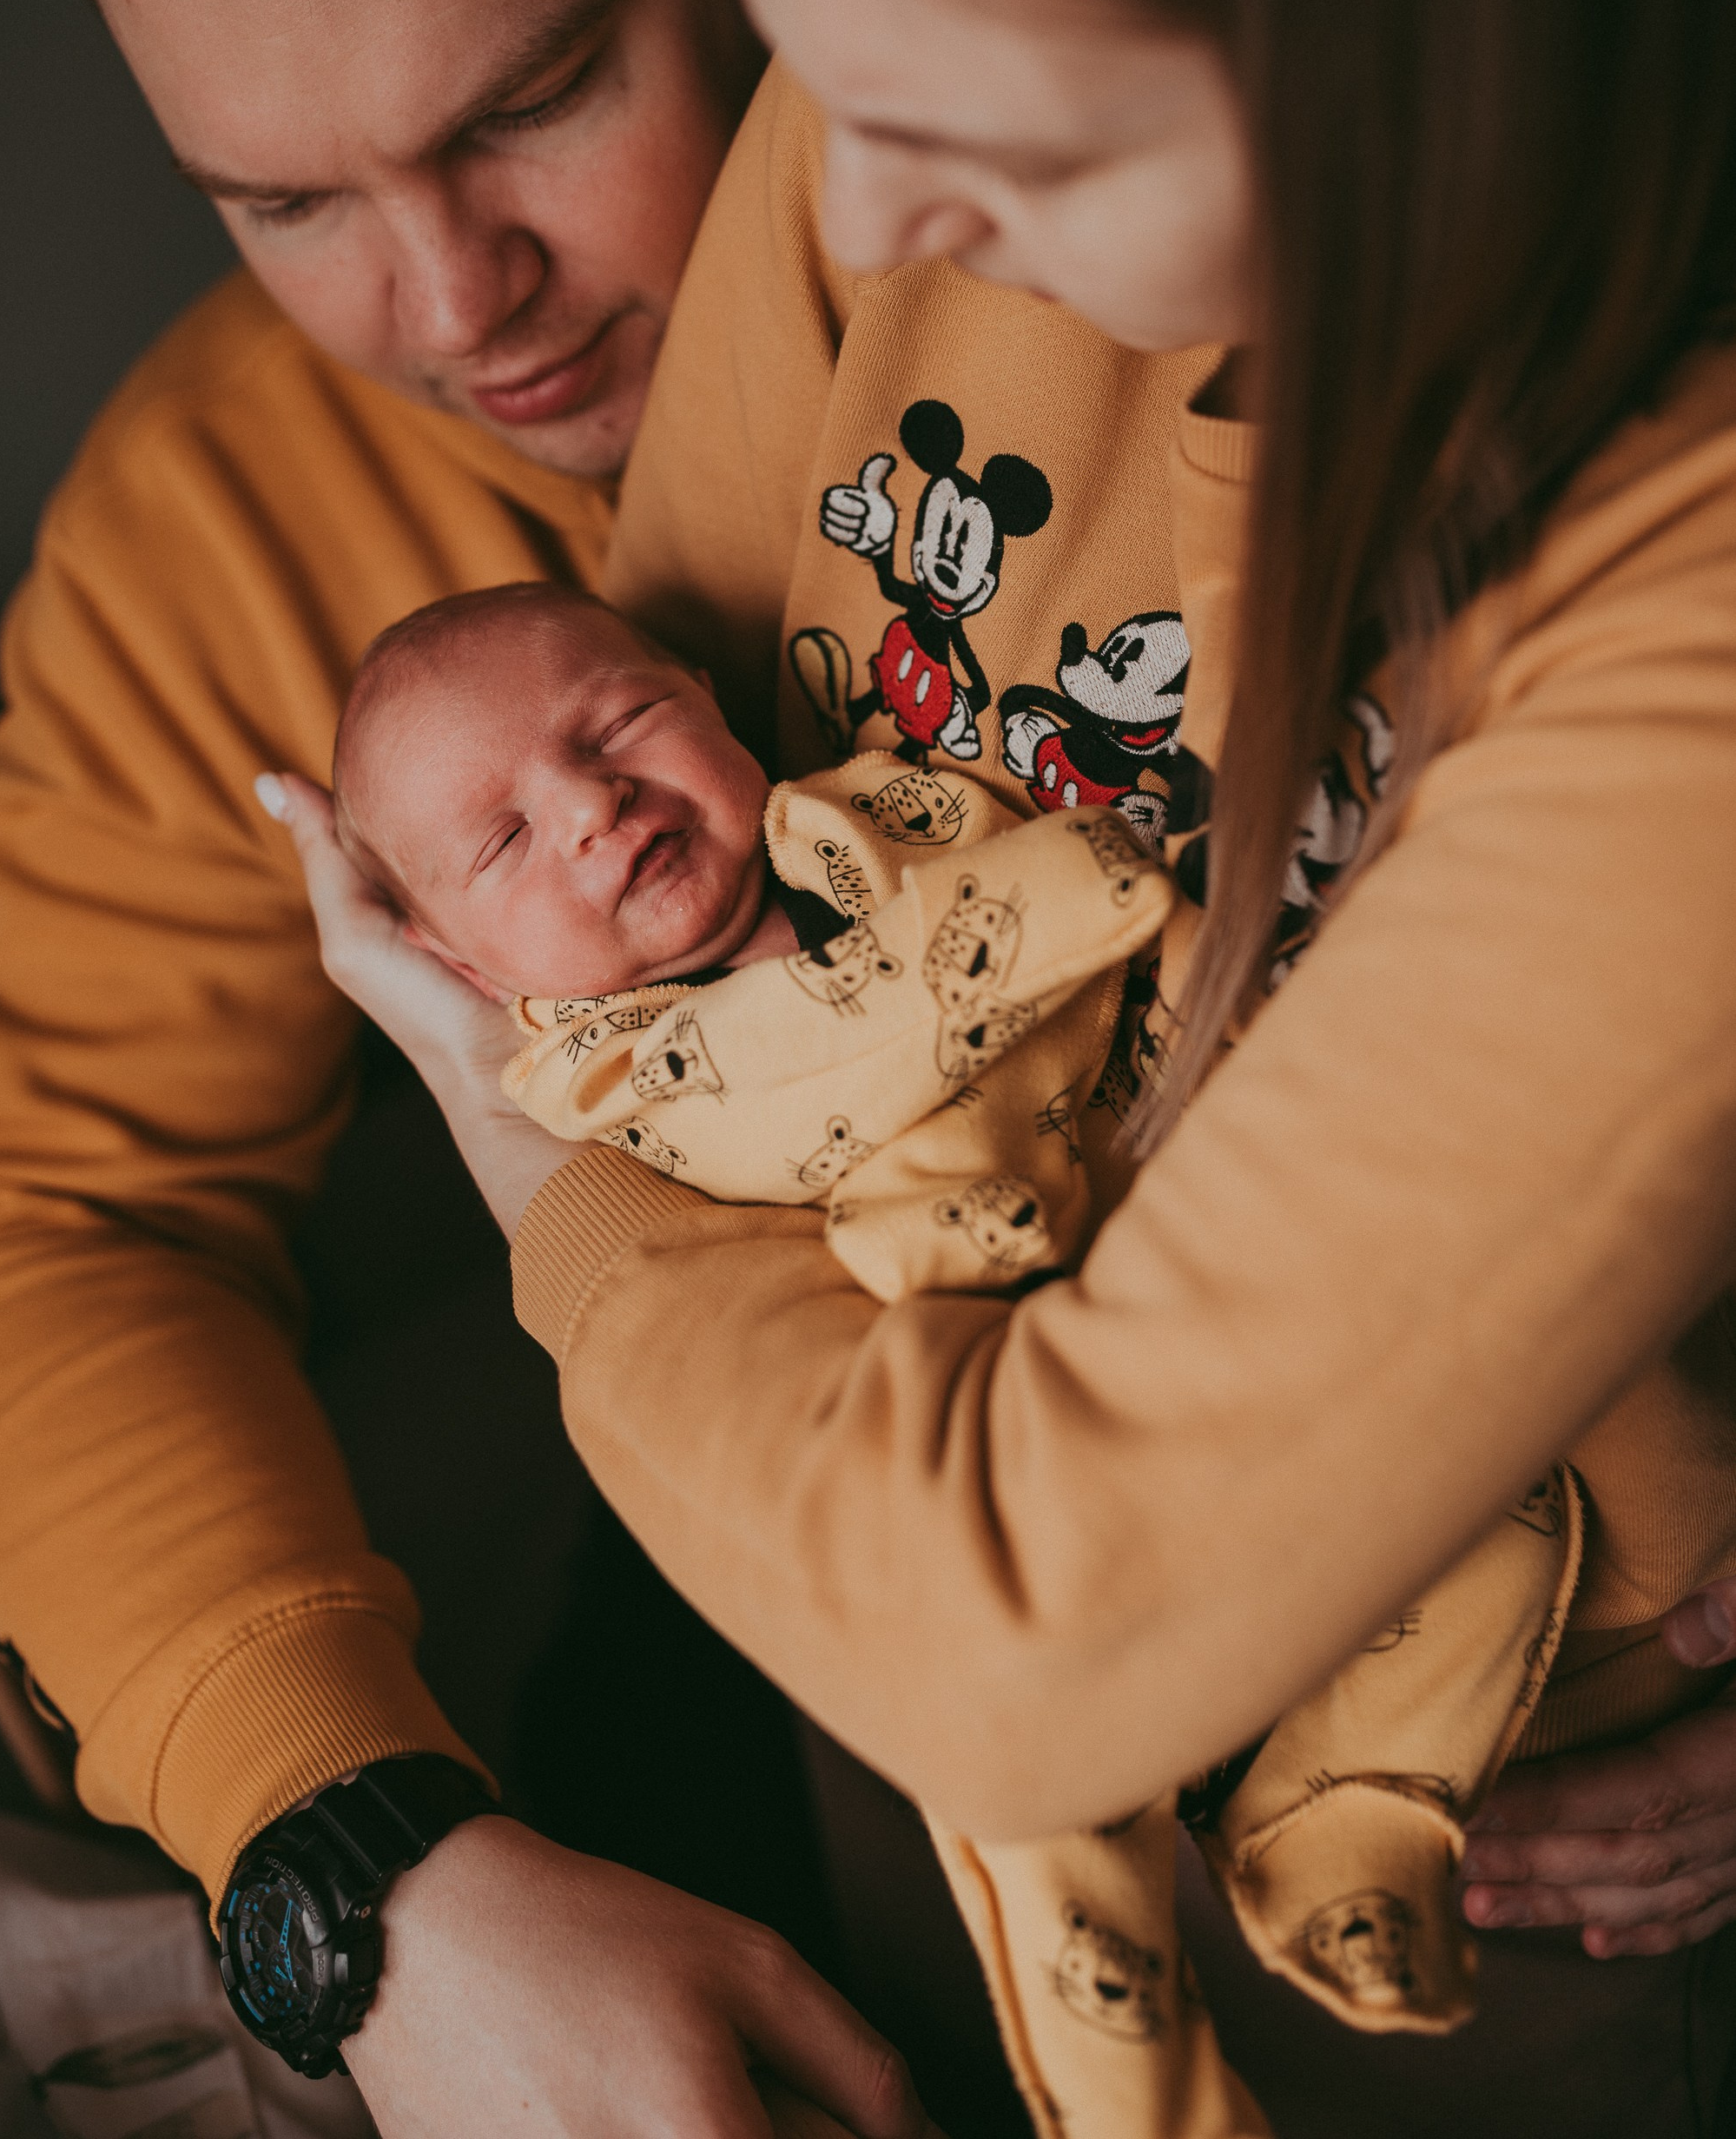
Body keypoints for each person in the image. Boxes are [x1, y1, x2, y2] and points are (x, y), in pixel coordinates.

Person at [277, 0, 1736, 2132]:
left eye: (971, 129)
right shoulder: (870, 169)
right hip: (882, 1715)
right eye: (830, 98)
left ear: (1366, 13)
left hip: (1512, 1825)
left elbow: (1022, 1619)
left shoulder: (1669, 582)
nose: (836, 235)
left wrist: (538, 1162)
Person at [1, 0, 950, 2136]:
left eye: (532, 99)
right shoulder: (201, 532)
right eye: (282, 202)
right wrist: (363, 1857)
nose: (451, 306)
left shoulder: (1102, 203)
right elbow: (64, 1216)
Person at [320, 576, 1591, 2139]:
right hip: (981, 1428)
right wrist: (1018, 940)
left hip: (1201, 1261)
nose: (590, 803)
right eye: (503, 843)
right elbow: (809, 1082)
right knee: (1024, 1802)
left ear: (714, 705)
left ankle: (1350, 1828)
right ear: (464, 972)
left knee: (1498, 1516)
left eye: (624, 721)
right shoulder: (603, 1072)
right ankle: (1139, 2106)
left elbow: (1037, 890)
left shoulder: (879, 821)